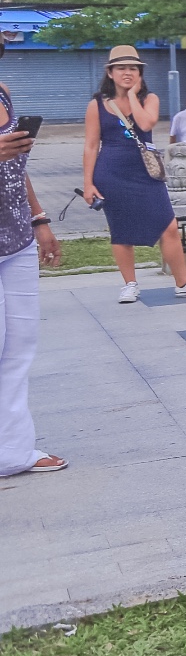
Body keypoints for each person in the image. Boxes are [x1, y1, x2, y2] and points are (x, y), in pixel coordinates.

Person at [81, 46, 186, 303]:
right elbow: (90, 145)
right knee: (120, 230)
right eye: (121, 68)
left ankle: (183, 282)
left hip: (146, 171)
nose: (127, 72)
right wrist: (88, 183)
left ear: (140, 73)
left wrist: (133, 94)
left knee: (168, 226)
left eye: (133, 68)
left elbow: (145, 124)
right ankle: (129, 284)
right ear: (110, 73)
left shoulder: (149, 98)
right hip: (111, 171)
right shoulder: (96, 105)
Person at [0, 40, 64, 476]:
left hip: (17, 235)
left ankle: (13, 451)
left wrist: (40, 219)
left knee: (19, 347)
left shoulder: (3, 90)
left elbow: (16, 170)